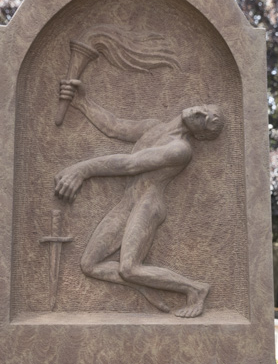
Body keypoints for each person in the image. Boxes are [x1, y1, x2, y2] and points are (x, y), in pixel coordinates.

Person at [55, 79, 223, 317]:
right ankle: (145, 284)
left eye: (202, 119)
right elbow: (113, 127)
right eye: (203, 107)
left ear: (201, 135)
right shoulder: (155, 127)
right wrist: (82, 102)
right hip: (128, 204)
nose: (197, 111)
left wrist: (82, 169)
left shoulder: (180, 149)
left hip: (148, 204)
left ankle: (195, 289)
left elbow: (131, 164)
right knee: (89, 265)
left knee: (130, 268)